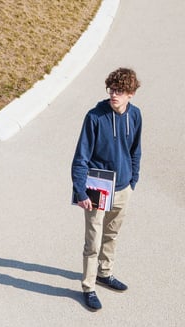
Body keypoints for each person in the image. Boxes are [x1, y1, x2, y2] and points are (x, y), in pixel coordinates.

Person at [71, 67, 142, 311]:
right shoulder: (95, 117)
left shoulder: (135, 116)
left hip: (123, 188)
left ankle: (105, 273)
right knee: (93, 240)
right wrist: (80, 191)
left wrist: (133, 180)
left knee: (111, 235)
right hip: (97, 188)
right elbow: (81, 156)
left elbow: (135, 150)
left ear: (130, 94)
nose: (114, 95)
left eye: (119, 91)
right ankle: (88, 287)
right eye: (112, 90)